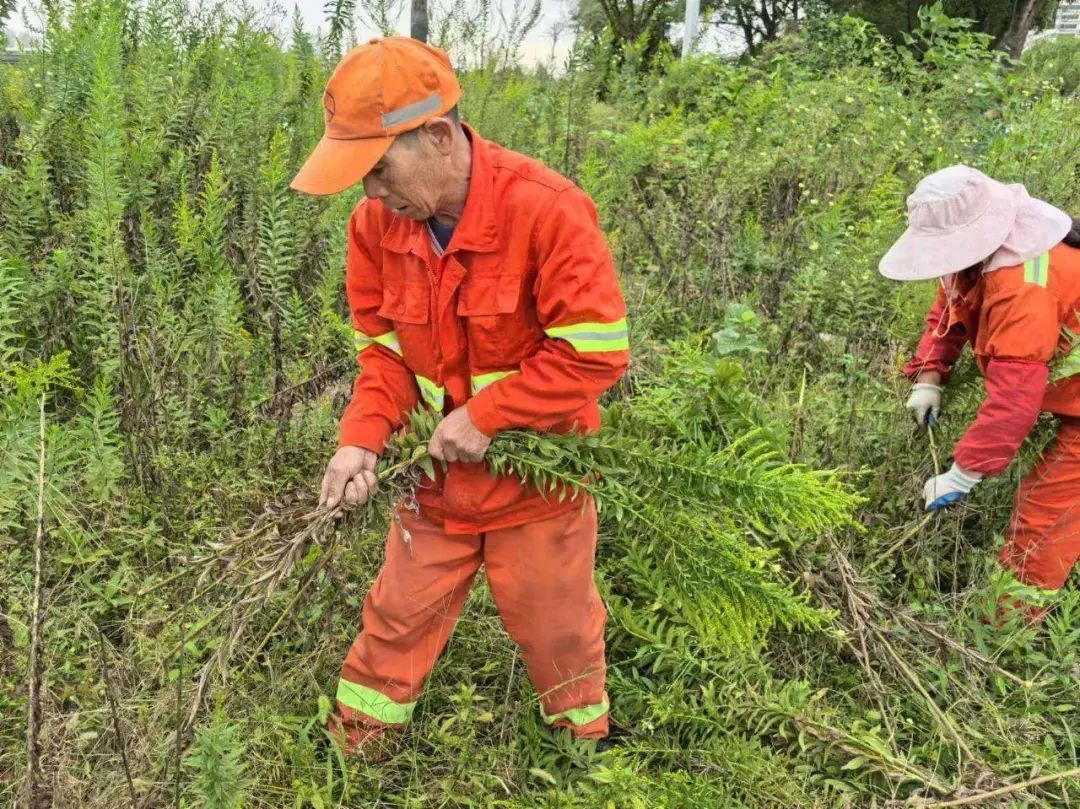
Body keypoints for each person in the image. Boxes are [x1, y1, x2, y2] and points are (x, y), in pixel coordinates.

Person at [289, 37, 629, 754]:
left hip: (538, 485)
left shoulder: (548, 211)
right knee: (396, 619)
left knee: (559, 630)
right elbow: (384, 357)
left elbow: (594, 354)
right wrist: (360, 440)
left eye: (378, 169)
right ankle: (354, 751)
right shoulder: (374, 228)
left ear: (439, 137)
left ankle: (584, 751)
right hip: (435, 486)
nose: (371, 194)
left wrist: (488, 415)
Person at [880, 165, 1080, 617]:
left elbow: (1013, 402)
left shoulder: (1024, 288)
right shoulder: (988, 251)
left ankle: (1003, 629)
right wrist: (929, 374)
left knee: (1044, 520)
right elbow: (952, 301)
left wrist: (962, 474)